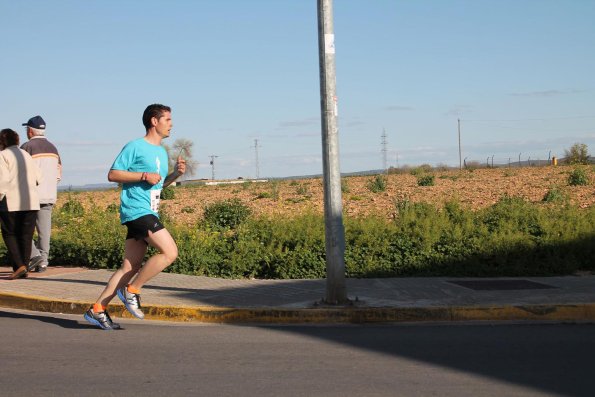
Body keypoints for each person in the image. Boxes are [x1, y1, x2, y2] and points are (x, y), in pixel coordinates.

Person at [84, 104, 186, 330]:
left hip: (149, 210)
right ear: (154, 121)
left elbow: (157, 184)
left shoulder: (161, 151)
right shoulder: (135, 146)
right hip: (137, 211)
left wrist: (175, 175)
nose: (171, 124)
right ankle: (132, 290)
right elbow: (113, 174)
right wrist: (142, 175)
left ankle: (97, 309)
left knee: (129, 267)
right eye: (167, 119)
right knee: (170, 252)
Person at [20, 115, 62, 273]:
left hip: (30, 195)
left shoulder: (26, 147)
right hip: (49, 195)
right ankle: (43, 261)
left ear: (30, 131)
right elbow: (58, 173)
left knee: (20, 229)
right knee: (44, 231)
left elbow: (21, 172)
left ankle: (34, 255)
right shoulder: (53, 148)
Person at [0, 129, 41, 280]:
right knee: (26, 235)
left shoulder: (2, 156)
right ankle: (23, 267)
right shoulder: (26, 155)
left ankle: (19, 265)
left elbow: (2, 180)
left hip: (10, 201)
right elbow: (39, 177)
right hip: (31, 200)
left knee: (10, 234)